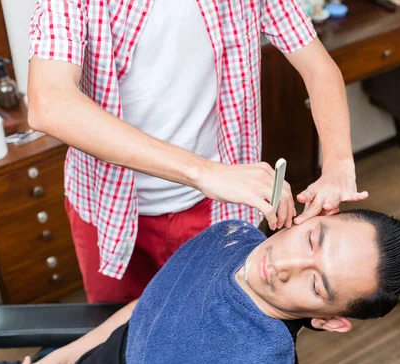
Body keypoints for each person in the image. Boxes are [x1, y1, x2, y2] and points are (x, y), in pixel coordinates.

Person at [27, 0, 368, 304]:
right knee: (114, 336)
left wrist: (338, 163)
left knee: (208, 331)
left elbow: (318, 67)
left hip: (216, 209)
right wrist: (206, 172)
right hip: (106, 204)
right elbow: (50, 103)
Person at [0, 209, 400, 364]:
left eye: (316, 284)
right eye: (312, 238)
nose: (285, 262)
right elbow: (150, 306)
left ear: (331, 321)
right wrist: (57, 363)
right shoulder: (231, 237)